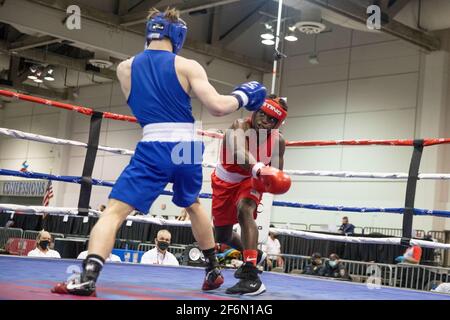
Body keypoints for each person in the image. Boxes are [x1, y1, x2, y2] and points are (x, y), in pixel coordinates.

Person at [52, 7, 266, 297]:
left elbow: (139, 106)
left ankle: (88, 278)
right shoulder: (187, 65)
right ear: (177, 35)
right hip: (187, 146)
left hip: (153, 143)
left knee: (114, 211)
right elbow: (217, 106)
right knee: (193, 205)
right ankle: (213, 270)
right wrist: (243, 95)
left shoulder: (125, 68)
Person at [211, 96, 291, 295]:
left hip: (251, 180)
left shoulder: (278, 141)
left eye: (271, 119)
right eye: (262, 113)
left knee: (244, 210)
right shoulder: (239, 125)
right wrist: (259, 169)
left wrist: (274, 179)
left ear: (277, 123)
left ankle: (250, 273)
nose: (264, 120)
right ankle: (256, 253)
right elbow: (238, 152)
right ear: (255, 111)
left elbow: (276, 171)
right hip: (226, 181)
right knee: (222, 235)